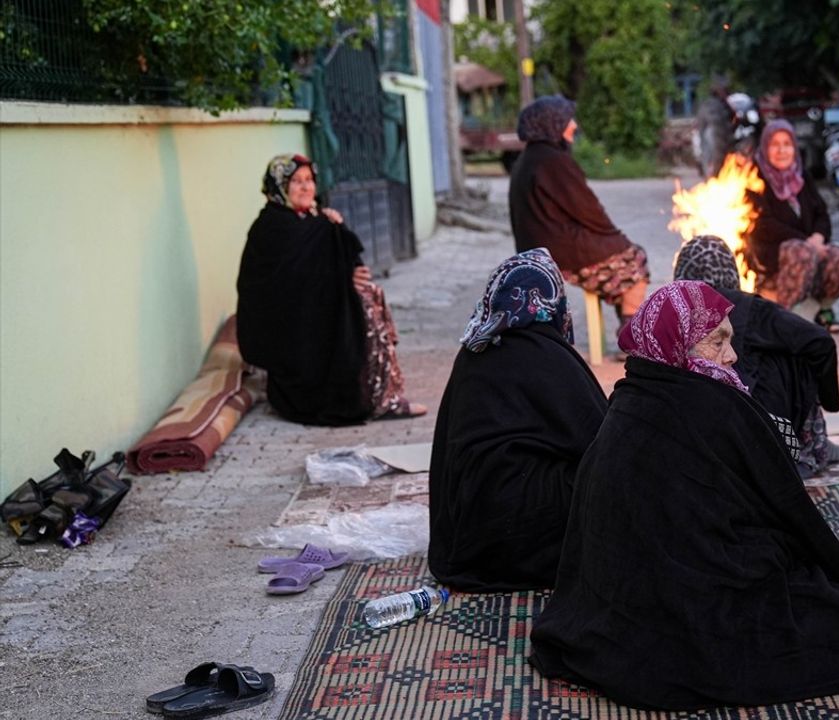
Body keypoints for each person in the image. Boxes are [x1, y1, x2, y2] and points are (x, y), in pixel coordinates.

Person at [529, 281, 839, 710]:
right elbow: (789, 510)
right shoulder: (712, 404)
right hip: (697, 605)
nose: (732, 355)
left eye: (730, 338)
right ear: (678, 345)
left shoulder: (632, 394)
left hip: (621, 609)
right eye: (717, 341)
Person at [428, 249, 609, 591]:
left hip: (467, 536)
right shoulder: (547, 354)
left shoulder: (474, 350)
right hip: (517, 534)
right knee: (607, 483)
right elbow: (602, 442)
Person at [236, 154, 425, 425]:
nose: (306, 188)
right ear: (279, 187)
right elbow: (284, 289)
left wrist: (335, 233)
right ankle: (374, 399)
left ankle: (382, 395)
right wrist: (342, 281)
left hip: (313, 312)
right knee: (359, 310)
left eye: (309, 180)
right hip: (290, 330)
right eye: (296, 182)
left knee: (368, 295)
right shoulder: (272, 227)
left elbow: (325, 259)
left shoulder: (309, 218)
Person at [672, 235, 839, 476]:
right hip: (749, 424)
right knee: (796, 348)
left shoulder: (669, 311)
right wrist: (831, 402)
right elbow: (820, 342)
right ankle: (811, 445)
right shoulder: (747, 308)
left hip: (686, 429)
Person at [509, 95, 650, 325]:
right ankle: (633, 337)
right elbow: (588, 210)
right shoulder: (553, 161)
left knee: (620, 257)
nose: (574, 125)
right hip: (559, 251)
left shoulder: (527, 159)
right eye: (568, 120)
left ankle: (630, 329)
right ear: (551, 124)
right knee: (635, 260)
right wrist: (615, 236)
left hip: (536, 248)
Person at [746, 119, 839, 332]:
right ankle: (787, 321)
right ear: (765, 146)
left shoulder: (801, 176)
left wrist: (818, 237)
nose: (782, 150)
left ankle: (818, 311)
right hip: (772, 258)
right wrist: (806, 242)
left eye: (787, 144)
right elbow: (763, 224)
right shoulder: (755, 179)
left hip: (808, 250)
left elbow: (822, 214)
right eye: (775, 144)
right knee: (802, 253)